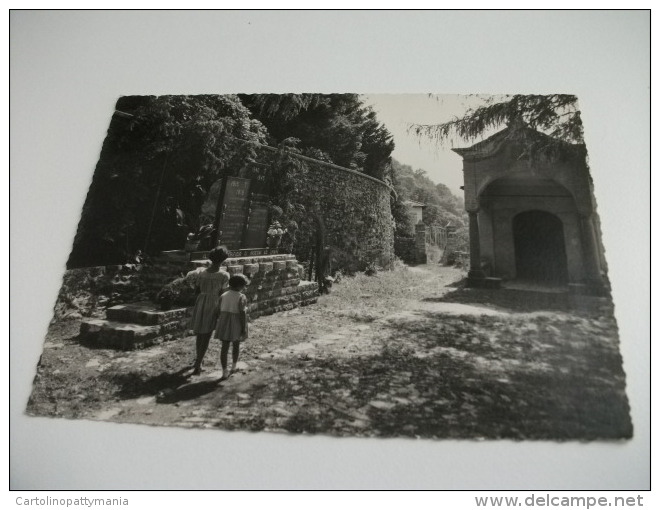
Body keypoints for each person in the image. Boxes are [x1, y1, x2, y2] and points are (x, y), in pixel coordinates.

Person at [189, 246, 230, 375]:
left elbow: (196, 289)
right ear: (223, 260)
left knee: (200, 332)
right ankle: (198, 363)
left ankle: (198, 361)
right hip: (213, 303)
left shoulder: (202, 273)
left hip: (201, 301)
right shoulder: (224, 275)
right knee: (206, 334)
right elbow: (223, 293)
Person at [215, 273, 249, 380]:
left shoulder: (223, 295)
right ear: (240, 286)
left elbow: (218, 310)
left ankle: (224, 370)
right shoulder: (241, 296)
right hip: (236, 322)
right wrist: (243, 327)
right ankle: (234, 366)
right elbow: (242, 313)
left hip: (224, 321)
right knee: (236, 344)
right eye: (244, 286)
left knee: (224, 347)